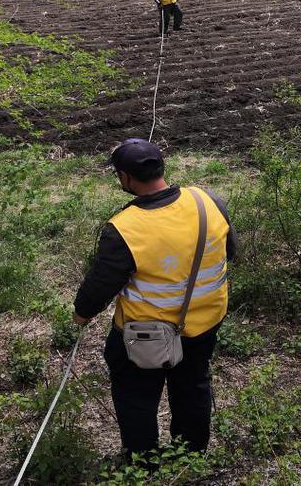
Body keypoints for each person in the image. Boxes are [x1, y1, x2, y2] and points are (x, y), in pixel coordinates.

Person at [73, 138, 235, 459]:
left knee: (136, 398)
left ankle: (142, 463)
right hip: (205, 322)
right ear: (162, 167)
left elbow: (101, 284)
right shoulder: (208, 200)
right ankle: (189, 458)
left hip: (144, 335)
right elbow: (228, 251)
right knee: (192, 388)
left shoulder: (124, 227)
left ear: (125, 178)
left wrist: (81, 314)